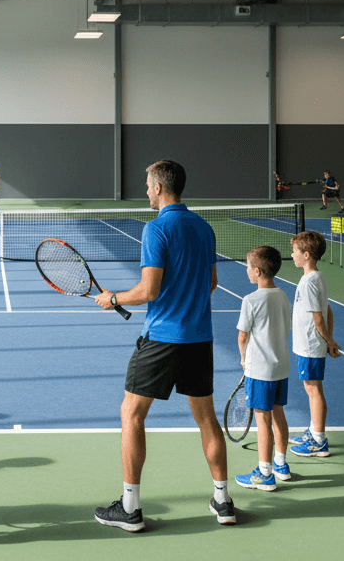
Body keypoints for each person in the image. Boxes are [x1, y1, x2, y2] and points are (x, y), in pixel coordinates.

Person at [92, 160, 234, 531]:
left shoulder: (156, 229)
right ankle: (223, 501)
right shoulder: (204, 228)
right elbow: (211, 283)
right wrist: (185, 302)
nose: (146, 191)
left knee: (131, 414)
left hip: (162, 339)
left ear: (158, 187)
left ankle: (130, 508)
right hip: (199, 339)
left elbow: (148, 290)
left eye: (147, 185)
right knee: (207, 419)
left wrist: (113, 299)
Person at [234, 246, 293, 492]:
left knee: (263, 420)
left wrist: (243, 359)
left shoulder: (250, 300)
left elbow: (242, 337)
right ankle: (281, 464)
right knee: (278, 414)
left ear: (257, 271)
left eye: (248, 267)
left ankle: (265, 474)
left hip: (260, 371)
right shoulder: (283, 295)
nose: (247, 271)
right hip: (281, 367)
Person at [288, 230, 341, 459]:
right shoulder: (316, 277)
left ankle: (318, 440)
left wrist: (328, 340)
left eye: (295, 252)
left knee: (313, 390)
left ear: (306, 255)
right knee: (313, 389)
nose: (292, 255)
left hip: (310, 345)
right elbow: (328, 309)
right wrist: (330, 339)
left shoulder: (310, 282)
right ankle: (313, 431)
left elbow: (319, 316)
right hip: (310, 344)